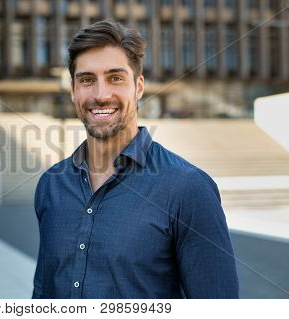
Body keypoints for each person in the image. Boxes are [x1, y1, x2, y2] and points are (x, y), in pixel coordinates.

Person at [32, 20, 239, 299]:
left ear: (139, 86)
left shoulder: (188, 188)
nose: (101, 95)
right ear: (73, 90)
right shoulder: (50, 186)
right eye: (87, 80)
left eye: (115, 78)